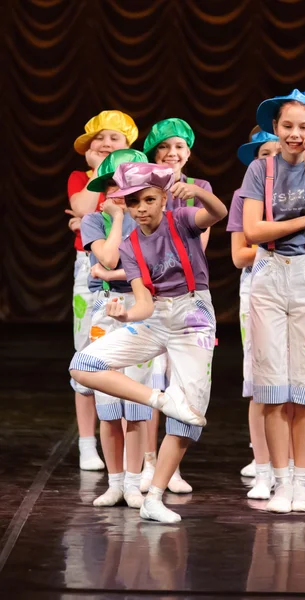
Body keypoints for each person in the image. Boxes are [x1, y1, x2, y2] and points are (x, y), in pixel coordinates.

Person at [70, 162, 227, 522]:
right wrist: (125, 316)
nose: (141, 208)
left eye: (149, 199)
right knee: (82, 365)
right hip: (155, 317)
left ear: (163, 198)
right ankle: (160, 399)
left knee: (190, 416)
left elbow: (216, 214)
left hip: (193, 315)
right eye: (133, 202)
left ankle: (154, 496)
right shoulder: (129, 245)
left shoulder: (183, 219)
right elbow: (142, 301)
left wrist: (200, 193)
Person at [241, 89, 305, 513]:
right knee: (272, 385)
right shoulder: (259, 169)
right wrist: (303, 221)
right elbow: (252, 233)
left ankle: (301, 481)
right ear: (275, 129)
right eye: (287, 126)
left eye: (304, 127)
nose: (295, 134)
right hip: (267, 273)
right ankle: (280, 481)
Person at [140, 118, 212, 495]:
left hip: (186, 296)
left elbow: (199, 244)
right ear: (155, 153)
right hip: (150, 295)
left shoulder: (199, 188)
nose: (172, 153)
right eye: (165, 148)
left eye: (179, 147)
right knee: (153, 381)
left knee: (181, 384)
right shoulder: (144, 189)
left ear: (188, 152)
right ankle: (148, 462)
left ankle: (171, 469)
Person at [80, 148, 154, 508]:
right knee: (108, 404)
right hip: (105, 310)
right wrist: (119, 220)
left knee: (137, 402)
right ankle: (115, 481)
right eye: (113, 186)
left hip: (141, 309)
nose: (118, 194)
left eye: (126, 186)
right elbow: (107, 257)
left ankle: (135, 482)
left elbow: (149, 268)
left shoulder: (151, 219)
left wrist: (112, 272)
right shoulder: (95, 221)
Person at [67, 110, 138, 470]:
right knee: (87, 350)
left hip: (131, 274)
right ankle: (86, 442)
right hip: (91, 269)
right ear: (88, 147)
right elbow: (82, 205)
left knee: (128, 357)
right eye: (100, 139)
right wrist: (98, 171)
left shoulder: (133, 190)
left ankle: (128, 445)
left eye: (115, 139)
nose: (107, 144)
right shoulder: (83, 177)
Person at [228, 130, 280, 499]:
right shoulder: (244, 195)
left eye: (278, 150)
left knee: (298, 376)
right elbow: (239, 255)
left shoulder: (303, 190)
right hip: (258, 288)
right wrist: (275, 241)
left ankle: (297, 463)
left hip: (299, 282)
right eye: (265, 152)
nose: (273, 157)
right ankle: (262, 462)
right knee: (261, 377)